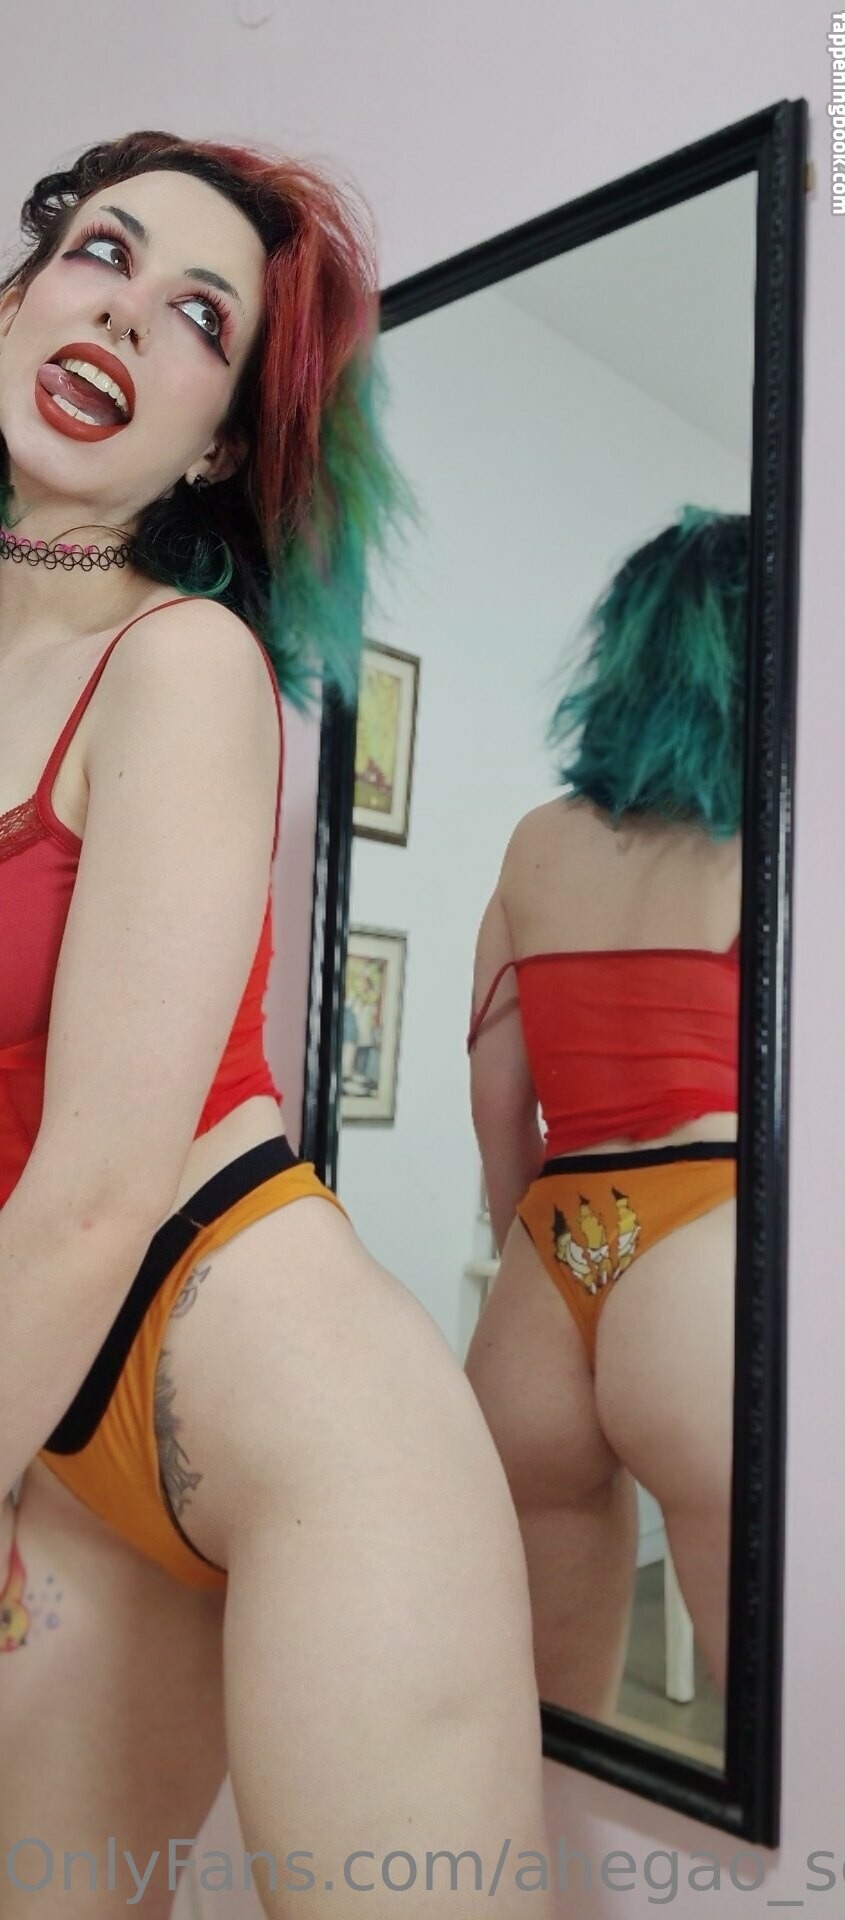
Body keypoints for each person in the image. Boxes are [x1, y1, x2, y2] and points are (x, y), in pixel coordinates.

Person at [0, 133, 551, 1920]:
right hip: (54, 1419)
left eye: (198, 317)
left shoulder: (181, 662)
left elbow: (96, 1189)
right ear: (17, 298)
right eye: (100, 254)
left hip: (295, 1415)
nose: (123, 314)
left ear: (218, 443)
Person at [465, 507, 746, 1721]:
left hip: (550, 1260)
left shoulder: (536, 845)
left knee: (550, 1731)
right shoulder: (776, 841)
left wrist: (526, 1249)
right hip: (712, 1237)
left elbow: (498, 1101)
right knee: (776, 1742)